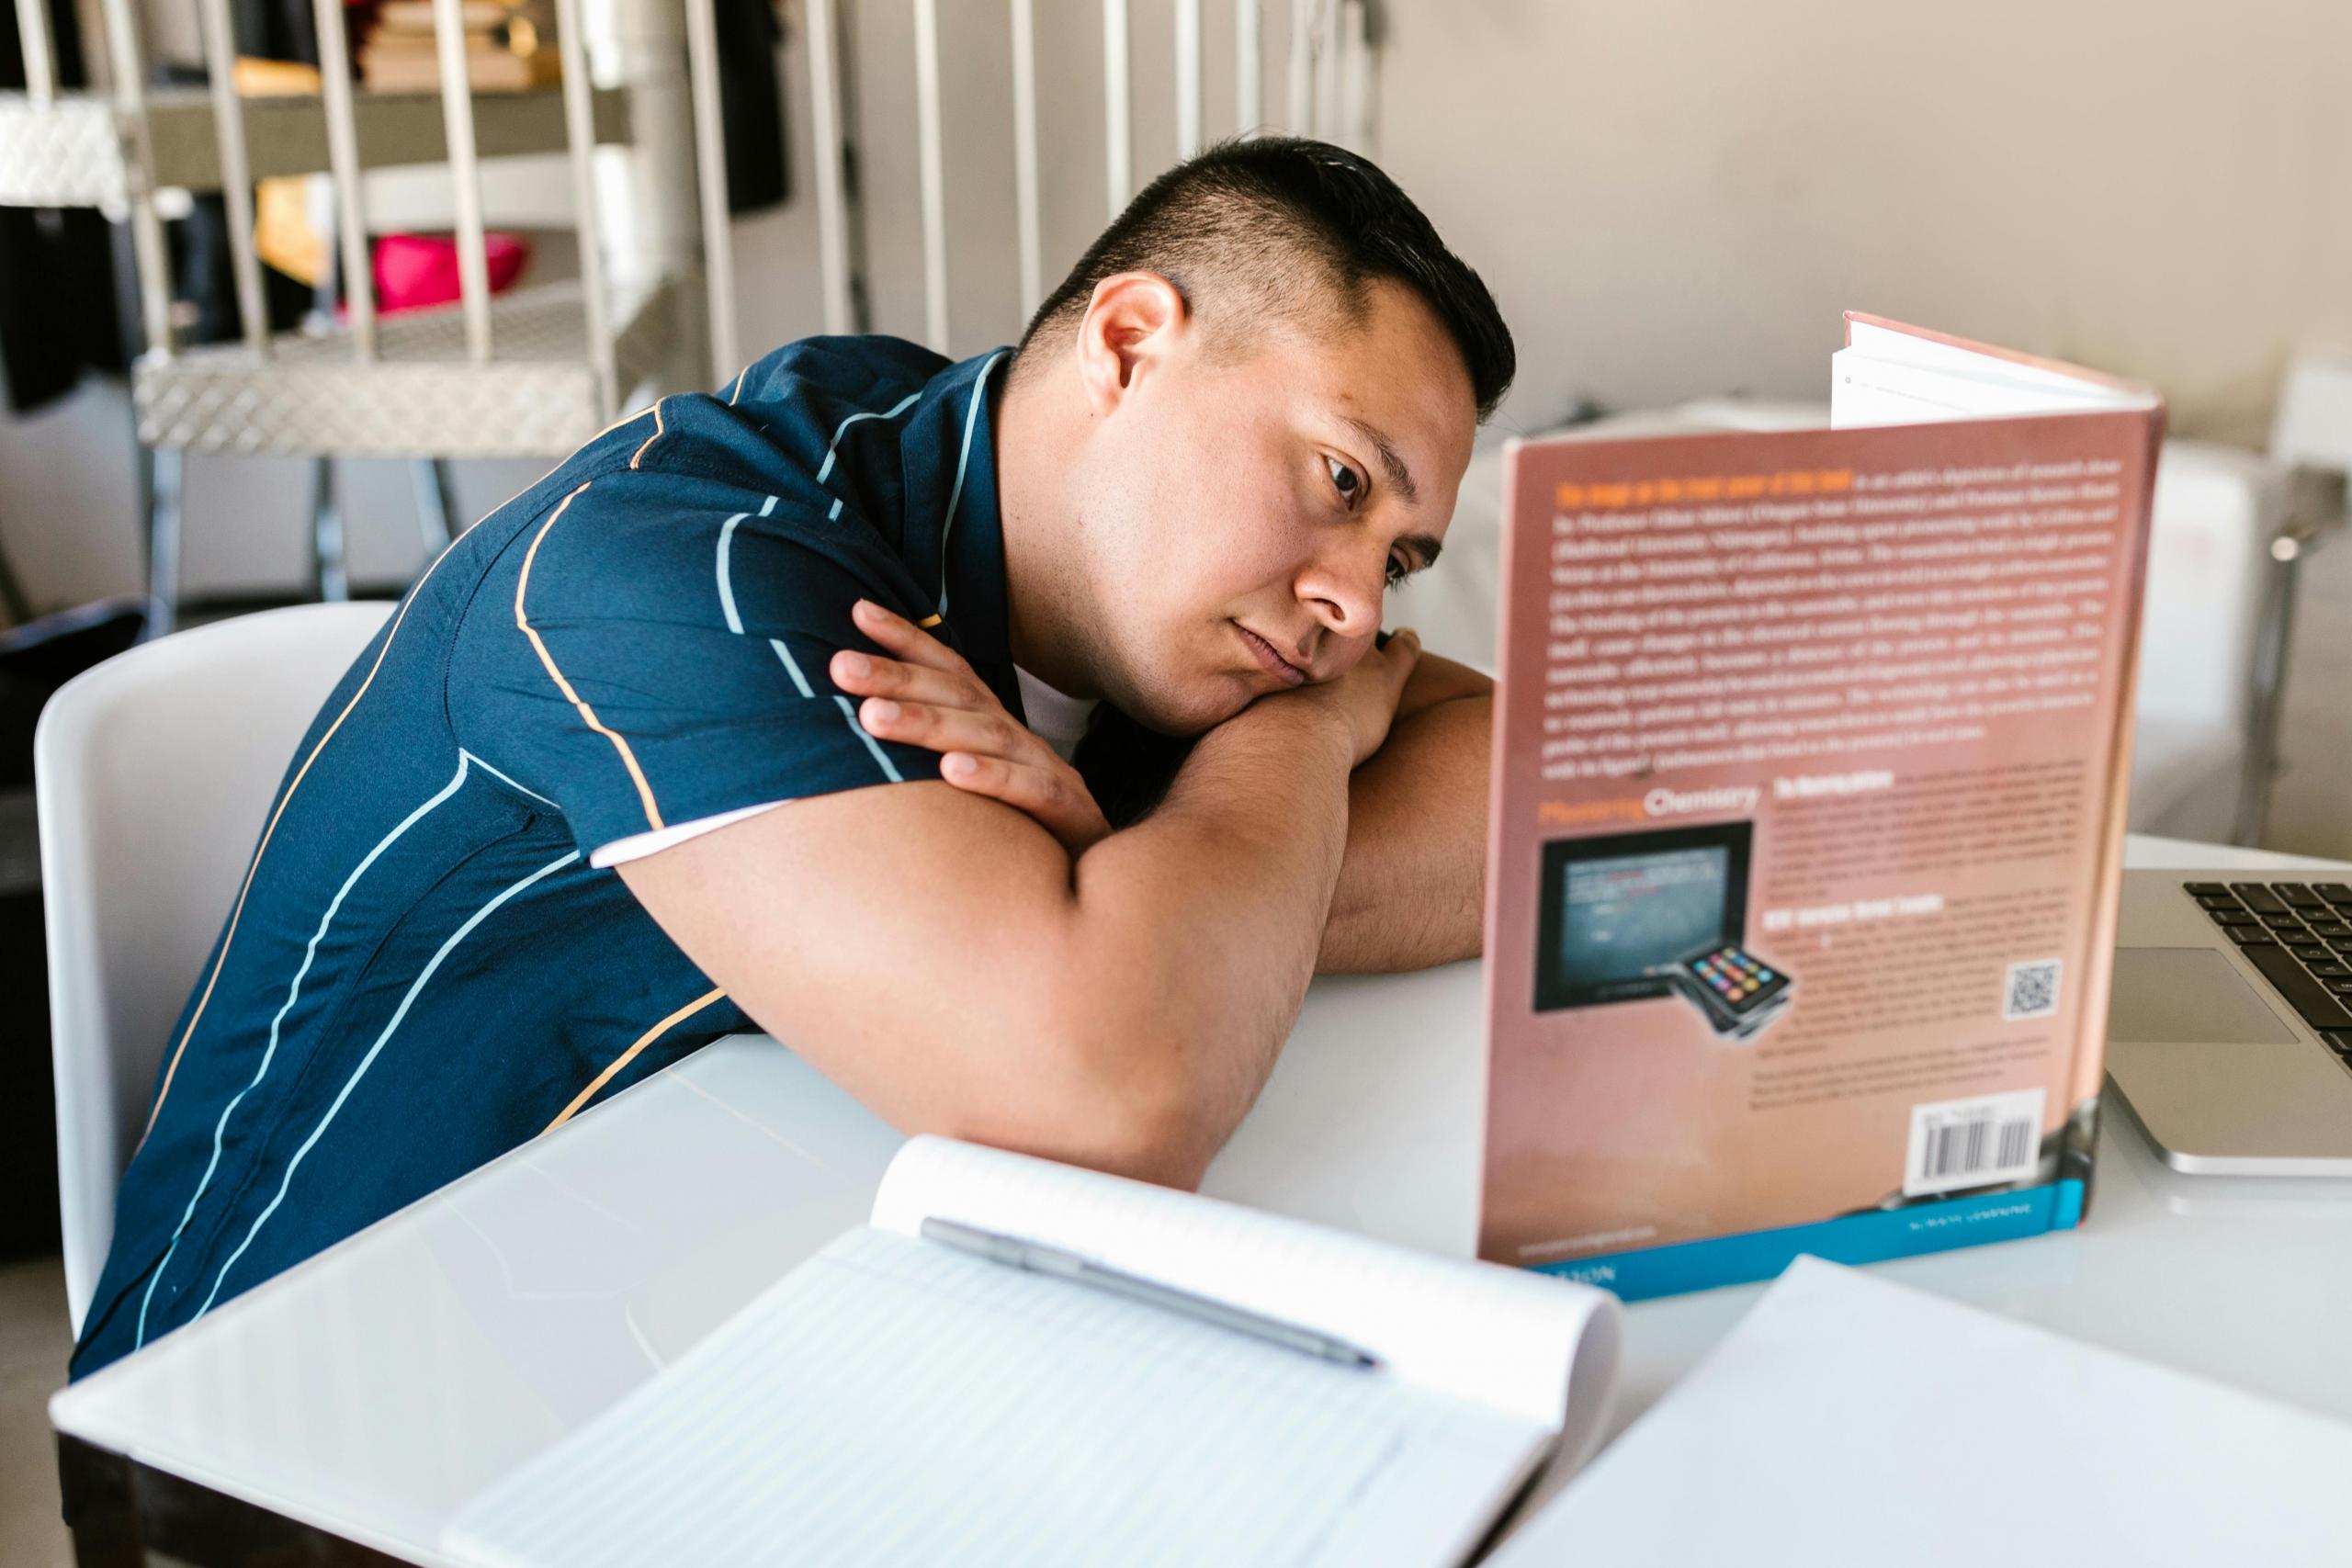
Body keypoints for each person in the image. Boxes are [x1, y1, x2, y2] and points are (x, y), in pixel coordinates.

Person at [69, 136, 1512, 1377]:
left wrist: (1160, 882)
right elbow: (1110, 1098)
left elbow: (1540, 790)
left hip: (704, 1328)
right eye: (1337, 481)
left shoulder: (1120, 588)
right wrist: (1304, 760)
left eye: (1401, 554)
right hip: (284, 1424)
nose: (1358, 607)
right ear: (1130, 342)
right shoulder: (662, 568)